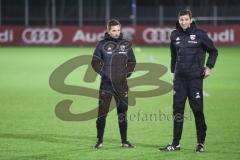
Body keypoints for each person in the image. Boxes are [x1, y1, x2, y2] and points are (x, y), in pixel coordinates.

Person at [160, 9, 218, 152]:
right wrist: (174, 74)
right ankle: (175, 144)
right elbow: (173, 56)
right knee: (177, 111)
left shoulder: (200, 34)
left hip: (195, 80)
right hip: (179, 80)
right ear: (178, 20)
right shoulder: (174, 35)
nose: (184, 22)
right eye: (181, 20)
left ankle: (200, 143)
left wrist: (209, 67)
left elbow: (213, 51)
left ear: (191, 20)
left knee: (197, 110)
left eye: (186, 19)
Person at [91, 19, 136, 149]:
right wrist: (104, 74)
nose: (116, 33)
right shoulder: (101, 45)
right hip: (106, 85)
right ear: (108, 31)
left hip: (121, 85)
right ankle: (99, 141)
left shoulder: (126, 45)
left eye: (118, 30)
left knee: (122, 113)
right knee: (102, 113)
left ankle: (124, 141)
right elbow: (95, 62)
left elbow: (132, 62)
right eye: (113, 30)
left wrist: (126, 74)